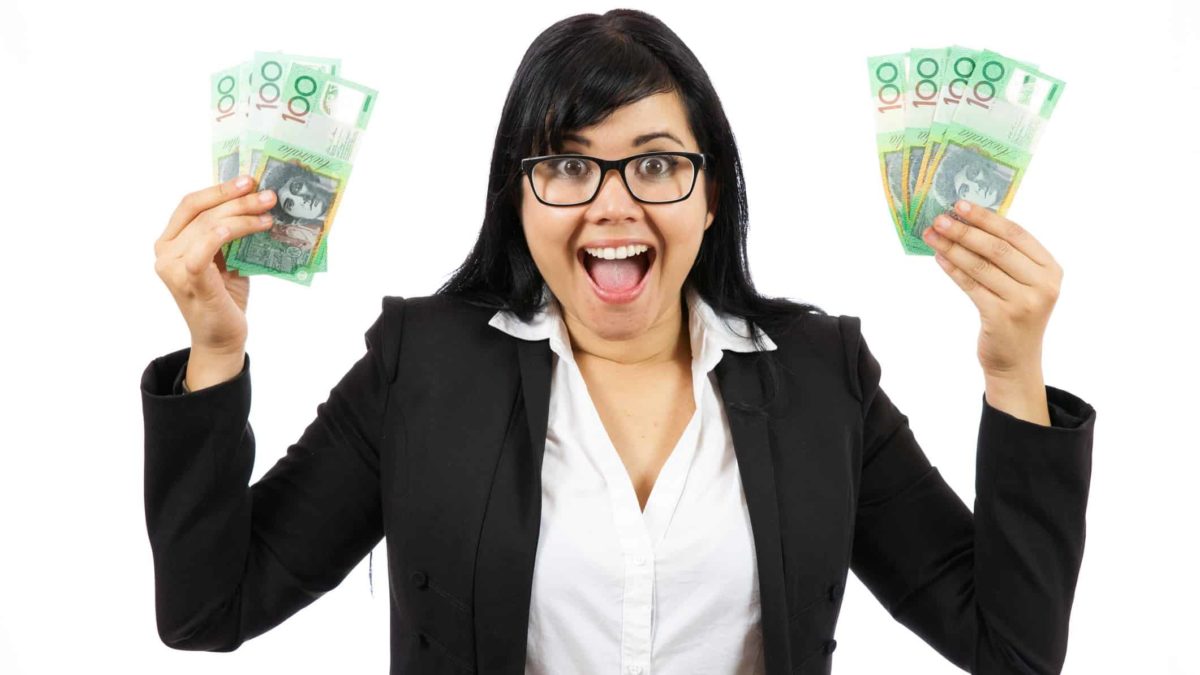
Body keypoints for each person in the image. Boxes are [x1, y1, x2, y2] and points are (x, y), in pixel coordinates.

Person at [143, 9, 1096, 675]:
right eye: (566, 163)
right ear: (518, 200)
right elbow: (208, 609)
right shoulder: (418, 368)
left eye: (654, 162)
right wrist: (215, 353)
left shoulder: (821, 378)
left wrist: (1016, 373)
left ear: (711, 192)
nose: (613, 202)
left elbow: (1009, 647)